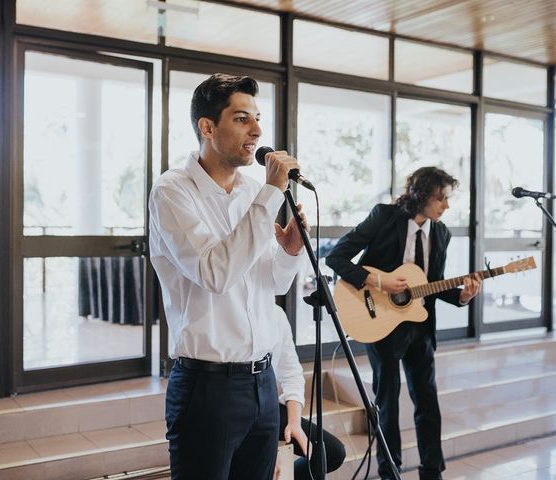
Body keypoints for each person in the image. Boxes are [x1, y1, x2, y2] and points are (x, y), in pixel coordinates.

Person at [149, 73, 309, 480]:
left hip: (261, 382)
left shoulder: (252, 193)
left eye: (257, 118)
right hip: (207, 387)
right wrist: (270, 194)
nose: (257, 130)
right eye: (242, 119)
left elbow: (272, 284)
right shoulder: (172, 191)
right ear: (207, 126)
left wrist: (289, 253)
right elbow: (214, 272)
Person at [325, 167, 482, 480]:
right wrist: (379, 281)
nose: (446, 206)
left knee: (428, 401)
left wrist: (463, 295)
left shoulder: (442, 233)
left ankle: (431, 471)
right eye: (441, 199)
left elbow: (433, 284)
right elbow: (336, 257)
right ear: (421, 196)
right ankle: (389, 472)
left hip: (419, 326)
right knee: (388, 403)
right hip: (378, 321)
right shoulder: (384, 217)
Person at [271, 305, 346, 480]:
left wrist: (294, 421)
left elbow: (292, 374)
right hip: (235, 407)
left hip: (269, 405)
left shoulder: (277, 315)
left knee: (330, 453)